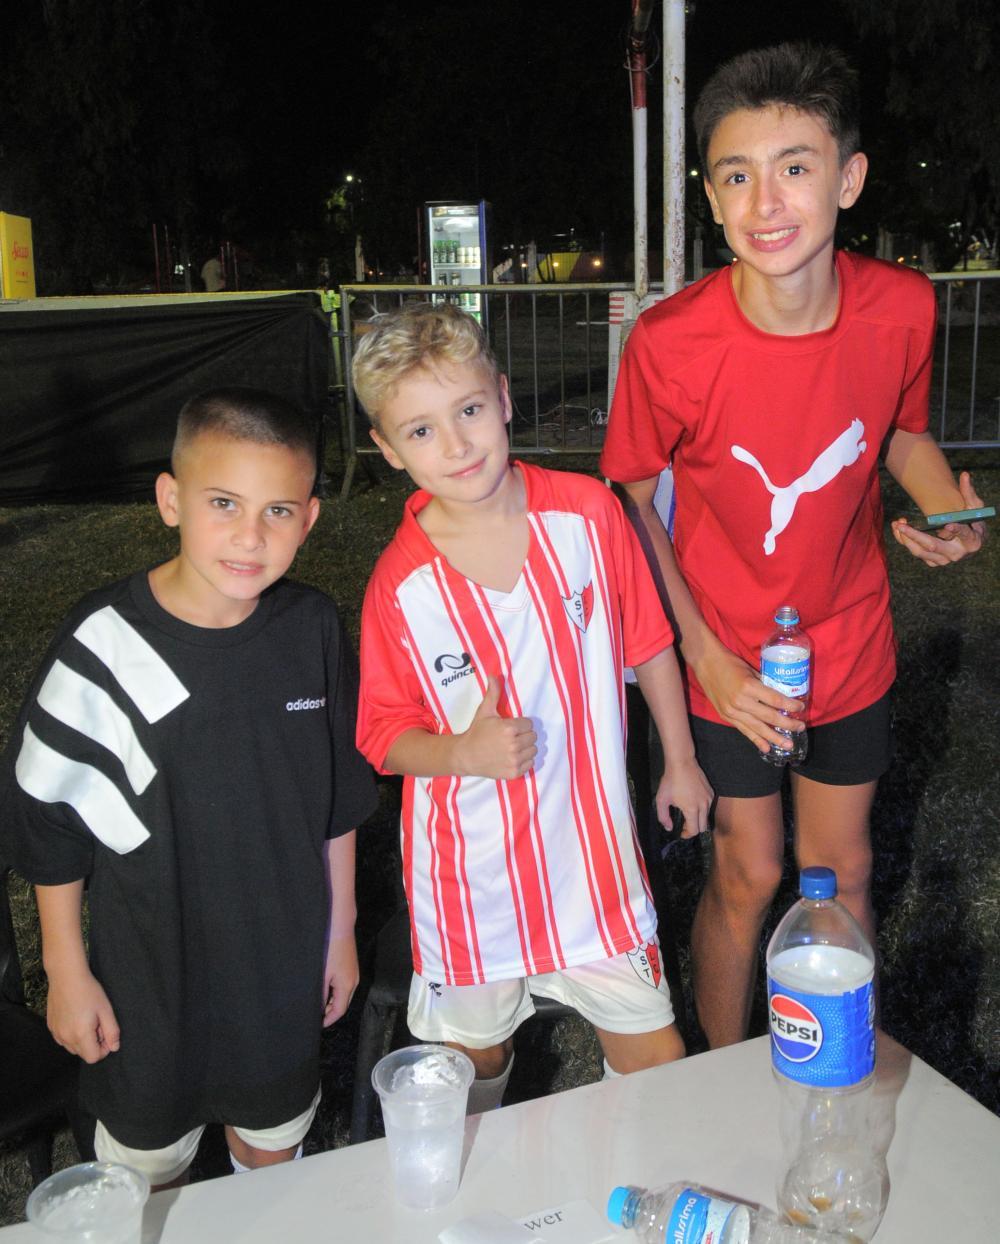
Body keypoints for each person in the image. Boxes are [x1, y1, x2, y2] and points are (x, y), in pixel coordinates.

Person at [600, 42, 987, 1050]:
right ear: (710, 197)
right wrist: (704, 659)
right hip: (724, 648)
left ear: (848, 179)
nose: (765, 202)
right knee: (748, 870)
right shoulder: (669, 342)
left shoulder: (902, 305)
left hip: (848, 637)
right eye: (736, 175)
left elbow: (899, 431)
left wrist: (944, 508)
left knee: (842, 869)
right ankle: (722, 1075)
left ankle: (833, 1062)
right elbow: (631, 500)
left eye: (795, 167)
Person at [1, 388, 377, 1187]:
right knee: (146, 1170)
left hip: (278, 962)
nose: (250, 535)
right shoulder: (104, 644)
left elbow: (339, 798)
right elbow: (50, 826)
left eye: (279, 511)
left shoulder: (310, 629)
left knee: (272, 1153)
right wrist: (66, 971)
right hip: (148, 977)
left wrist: (340, 930)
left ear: (310, 519)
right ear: (171, 500)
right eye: (223, 503)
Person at [351, 303, 713, 1111]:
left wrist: (681, 761)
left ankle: (631, 1181)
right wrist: (460, 753)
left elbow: (648, 641)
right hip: (473, 880)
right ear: (387, 448)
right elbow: (381, 735)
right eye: (421, 431)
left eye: (469, 410)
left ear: (505, 398)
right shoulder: (401, 585)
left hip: (594, 861)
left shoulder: (587, 514)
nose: (456, 445)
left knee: (658, 1061)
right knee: (472, 1071)